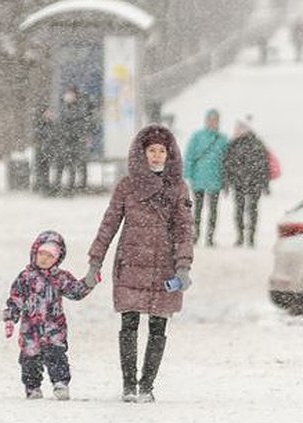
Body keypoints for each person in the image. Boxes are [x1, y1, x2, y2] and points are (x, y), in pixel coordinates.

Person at [86, 124, 194, 403]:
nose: (157, 156)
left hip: (164, 268)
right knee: (129, 323)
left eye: (162, 151)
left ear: (169, 155)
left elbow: (184, 230)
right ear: (142, 153)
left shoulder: (178, 188)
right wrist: (95, 261)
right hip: (131, 265)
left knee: (158, 327)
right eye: (152, 150)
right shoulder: (127, 186)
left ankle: (147, 385)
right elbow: (108, 224)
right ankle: (128, 385)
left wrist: (183, 266)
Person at [2, 230, 100, 400]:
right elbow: (15, 299)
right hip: (30, 330)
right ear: (35, 252)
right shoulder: (25, 278)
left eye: (50, 256)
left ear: (57, 259)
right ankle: (32, 387)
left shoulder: (60, 277)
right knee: (29, 359)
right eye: (41, 254)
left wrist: (89, 281)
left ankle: (60, 383)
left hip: (54, 328)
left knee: (57, 356)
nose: (45, 259)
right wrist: (10, 318)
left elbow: (75, 292)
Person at [223, 119, 270, 248]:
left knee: (251, 211)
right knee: (240, 210)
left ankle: (250, 237)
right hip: (240, 183)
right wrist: (226, 183)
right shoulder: (233, 145)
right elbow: (227, 165)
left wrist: (265, 184)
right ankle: (241, 236)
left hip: (253, 182)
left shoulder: (256, 143)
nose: (237, 131)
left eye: (240, 128)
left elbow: (264, 164)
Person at [184, 109, 228, 247]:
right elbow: (189, 156)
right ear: (206, 120)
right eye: (211, 119)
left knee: (213, 211)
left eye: (215, 120)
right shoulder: (198, 136)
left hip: (215, 180)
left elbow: (226, 161)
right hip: (199, 179)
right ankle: (195, 235)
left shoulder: (223, 139)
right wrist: (188, 175)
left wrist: (225, 180)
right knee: (197, 209)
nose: (213, 122)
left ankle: (210, 237)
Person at [56, 86, 91, 194]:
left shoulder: (78, 108)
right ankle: (59, 186)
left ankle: (72, 187)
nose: (68, 97)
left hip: (74, 140)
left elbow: (80, 124)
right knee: (62, 164)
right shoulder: (64, 107)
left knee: (74, 164)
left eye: (70, 94)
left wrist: (80, 135)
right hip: (65, 140)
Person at [33, 105, 58, 195]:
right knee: (42, 169)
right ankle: (43, 187)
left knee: (45, 169)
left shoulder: (51, 123)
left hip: (48, 149)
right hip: (42, 149)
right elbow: (40, 135)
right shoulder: (40, 123)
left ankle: (45, 187)